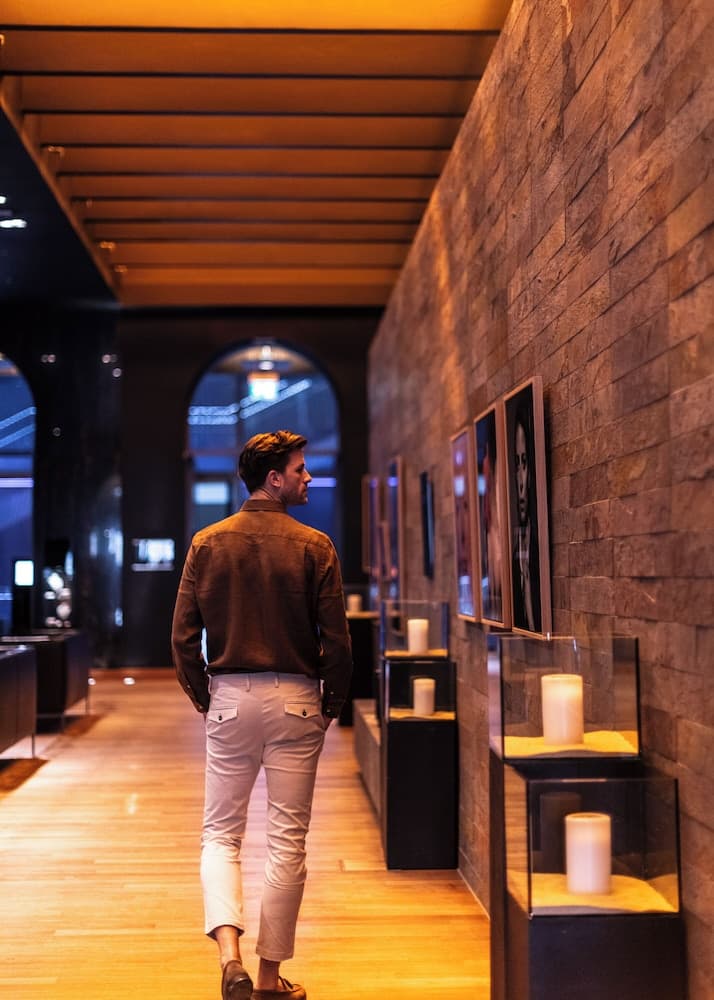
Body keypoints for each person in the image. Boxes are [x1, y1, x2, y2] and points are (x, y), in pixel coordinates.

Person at [171, 430, 352, 1000]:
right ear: (273, 479)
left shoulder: (207, 543)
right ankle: (270, 978)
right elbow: (337, 641)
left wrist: (206, 699)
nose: (308, 477)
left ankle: (230, 958)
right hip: (297, 699)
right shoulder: (315, 546)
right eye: (300, 470)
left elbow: (182, 639)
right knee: (287, 841)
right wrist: (330, 706)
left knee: (220, 834)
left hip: (229, 696)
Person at [510, 400, 541, 632]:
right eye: (517, 465)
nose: (521, 481)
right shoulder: (516, 553)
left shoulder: (538, 546)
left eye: (525, 463)